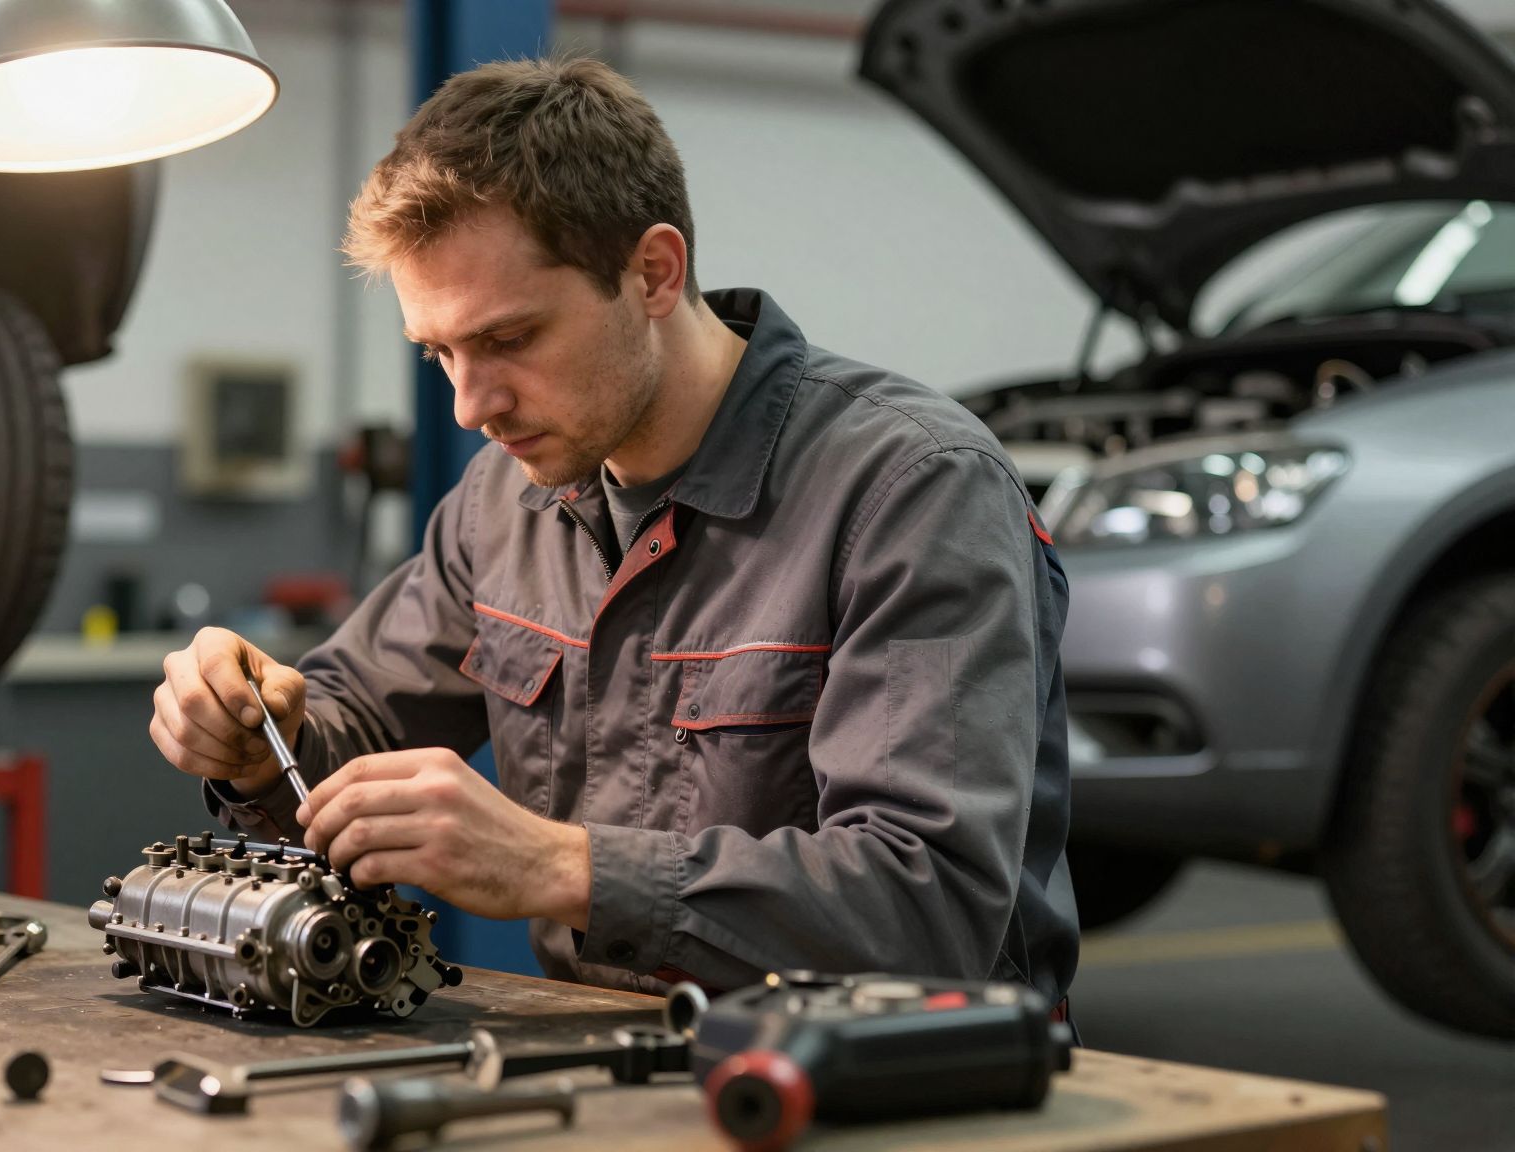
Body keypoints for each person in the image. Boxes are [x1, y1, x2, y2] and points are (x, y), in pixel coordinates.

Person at [150, 56, 1077, 1003]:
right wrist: (263, 734)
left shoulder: (913, 492)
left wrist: (564, 869)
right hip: (626, 1081)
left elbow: (932, 908)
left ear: (653, 273)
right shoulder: (502, 502)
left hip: (906, 1101)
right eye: (440, 353)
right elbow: (357, 713)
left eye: (509, 340)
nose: (471, 406)